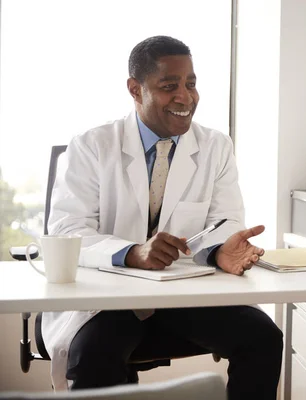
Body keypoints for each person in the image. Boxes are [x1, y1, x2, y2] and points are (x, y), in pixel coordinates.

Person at [43, 36, 282, 399]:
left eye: (191, 84)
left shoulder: (216, 147)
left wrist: (220, 250)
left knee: (263, 337)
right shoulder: (92, 146)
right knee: (95, 355)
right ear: (135, 90)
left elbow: (226, 221)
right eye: (169, 86)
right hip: (107, 303)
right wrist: (132, 252)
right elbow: (67, 229)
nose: (185, 97)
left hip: (182, 295)